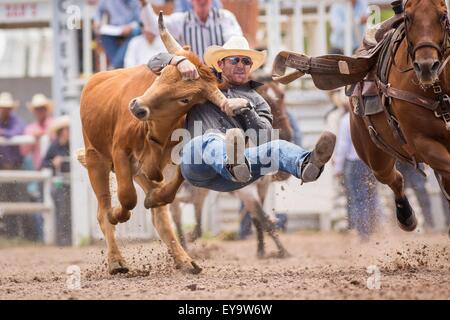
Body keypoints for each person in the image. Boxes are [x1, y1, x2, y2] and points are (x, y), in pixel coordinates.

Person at [148, 36, 336, 194]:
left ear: (250, 67)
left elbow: (265, 138)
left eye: (246, 61)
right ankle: (231, 162)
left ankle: (306, 165)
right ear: (220, 64)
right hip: (196, 162)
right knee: (211, 139)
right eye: (234, 60)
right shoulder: (200, 81)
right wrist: (179, 61)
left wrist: (247, 109)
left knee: (276, 147)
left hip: (237, 173)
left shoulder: (256, 100)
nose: (241, 65)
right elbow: (154, 62)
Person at [334, 104, 382, 241]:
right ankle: (374, 228)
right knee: (371, 196)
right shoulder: (368, 118)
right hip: (370, 162)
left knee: (358, 199)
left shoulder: (345, 120)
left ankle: (363, 233)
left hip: (354, 163)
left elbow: (342, 145)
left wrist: (338, 168)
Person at [140, 0, 242, 60]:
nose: (202, 1)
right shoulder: (181, 20)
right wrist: (144, 3)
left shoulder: (225, 17)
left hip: (220, 76)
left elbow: (235, 42)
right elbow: (153, 25)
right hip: (192, 79)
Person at [0, 92, 27, 239]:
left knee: (19, 199)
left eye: (7, 107)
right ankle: (10, 234)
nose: (5, 110)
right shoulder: (13, 120)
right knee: (5, 200)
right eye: (3, 107)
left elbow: (18, 130)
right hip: (3, 167)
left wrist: (3, 132)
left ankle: (18, 233)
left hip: (15, 166)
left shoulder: (15, 120)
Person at [41, 116, 72, 246]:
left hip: (70, 182)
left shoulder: (71, 144)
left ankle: (68, 238)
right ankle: (63, 239)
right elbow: (44, 162)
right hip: (59, 183)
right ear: (61, 131)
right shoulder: (54, 146)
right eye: (67, 129)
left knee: (68, 211)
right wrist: (54, 163)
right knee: (62, 212)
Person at [94, 0, 142, 69]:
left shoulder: (135, 1)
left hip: (131, 30)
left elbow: (140, 21)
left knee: (135, 36)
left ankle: (115, 66)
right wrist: (97, 21)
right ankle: (118, 65)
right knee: (103, 36)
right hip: (115, 29)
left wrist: (130, 27)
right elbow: (98, 12)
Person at [396, 161, 435, 231]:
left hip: (412, 160)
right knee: (397, 191)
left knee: (421, 190)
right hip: (397, 159)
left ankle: (429, 223)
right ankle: (399, 225)